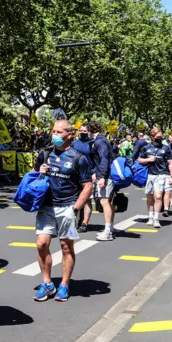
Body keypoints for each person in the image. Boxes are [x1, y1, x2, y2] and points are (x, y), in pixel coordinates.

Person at [33, 120, 92, 302]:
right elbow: (33, 177)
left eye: (59, 132)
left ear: (69, 135)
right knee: (42, 244)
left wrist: (75, 209)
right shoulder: (45, 154)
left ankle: (64, 285)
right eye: (53, 131)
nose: (55, 135)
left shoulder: (78, 158)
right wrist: (40, 171)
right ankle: (47, 283)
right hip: (46, 206)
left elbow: (87, 186)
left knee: (66, 247)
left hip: (67, 206)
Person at [138, 128, 172, 228]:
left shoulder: (166, 148)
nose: (160, 138)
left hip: (161, 175)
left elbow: (170, 162)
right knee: (149, 197)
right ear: (152, 137)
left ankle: (156, 218)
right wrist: (148, 159)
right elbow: (140, 160)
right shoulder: (146, 147)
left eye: (161, 137)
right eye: (158, 137)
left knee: (158, 196)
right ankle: (150, 217)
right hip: (149, 175)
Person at [87, 120, 116, 241]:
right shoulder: (101, 140)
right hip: (106, 175)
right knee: (108, 202)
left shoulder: (100, 142)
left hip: (106, 176)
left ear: (89, 130)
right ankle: (110, 228)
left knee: (104, 201)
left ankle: (108, 231)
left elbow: (104, 159)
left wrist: (102, 176)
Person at [72, 124, 94, 233]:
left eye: (85, 130)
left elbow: (97, 160)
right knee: (75, 198)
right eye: (81, 130)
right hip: (75, 174)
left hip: (88, 174)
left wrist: (95, 173)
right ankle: (74, 220)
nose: (82, 132)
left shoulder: (92, 144)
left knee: (87, 200)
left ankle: (84, 222)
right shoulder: (74, 143)